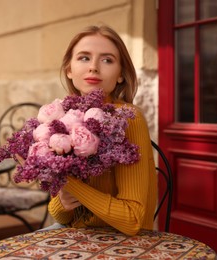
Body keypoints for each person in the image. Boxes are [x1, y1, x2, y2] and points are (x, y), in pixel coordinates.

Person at [46, 25, 157, 236]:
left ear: (121, 75)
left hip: (121, 243)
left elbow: (133, 220)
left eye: (107, 60)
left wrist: (69, 183)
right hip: (75, 237)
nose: (94, 67)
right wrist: (62, 202)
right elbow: (60, 216)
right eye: (84, 58)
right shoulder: (65, 117)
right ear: (69, 69)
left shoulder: (127, 118)